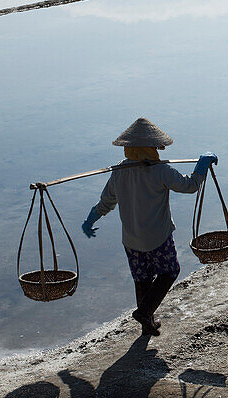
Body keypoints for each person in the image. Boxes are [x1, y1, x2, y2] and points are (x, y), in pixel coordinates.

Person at [81, 118, 217, 337]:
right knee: (170, 271)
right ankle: (145, 312)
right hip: (158, 238)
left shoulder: (119, 172)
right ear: (149, 149)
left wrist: (89, 221)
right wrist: (201, 167)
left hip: (131, 240)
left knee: (142, 279)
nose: (157, 151)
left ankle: (147, 324)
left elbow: (106, 203)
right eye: (154, 147)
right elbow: (190, 186)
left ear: (129, 149)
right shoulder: (161, 171)